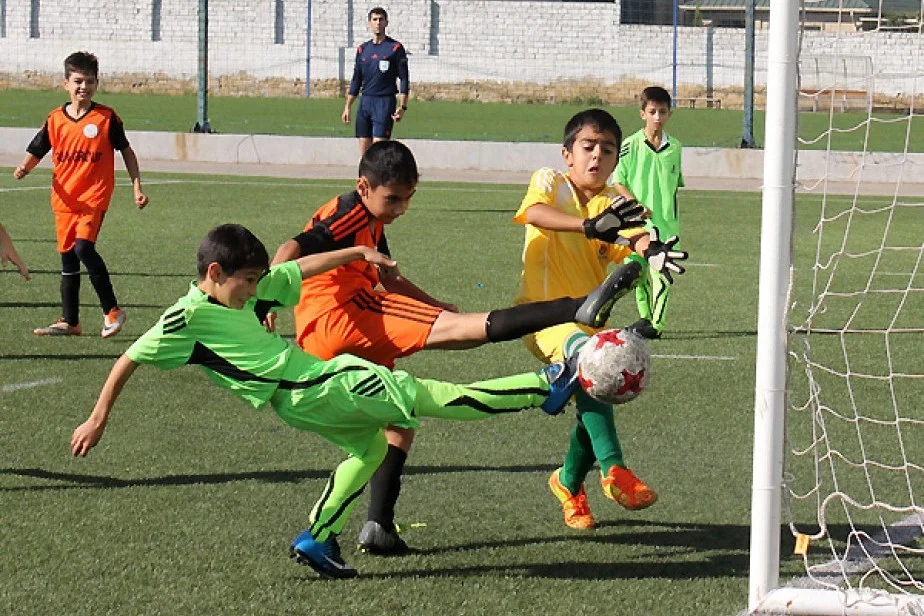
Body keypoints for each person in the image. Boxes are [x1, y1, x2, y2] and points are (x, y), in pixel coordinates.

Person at [70, 223, 587, 580]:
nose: (255, 292)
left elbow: (299, 270)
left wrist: (356, 253)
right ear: (214, 276)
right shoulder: (184, 318)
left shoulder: (240, 291)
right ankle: (546, 384)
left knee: (368, 450)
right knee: (424, 396)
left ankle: (317, 537)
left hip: (298, 400)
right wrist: (97, 418)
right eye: (246, 282)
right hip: (316, 385)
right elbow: (129, 358)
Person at [267, 139, 654, 554]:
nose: (402, 209)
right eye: (393, 199)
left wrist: (433, 304)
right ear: (364, 187)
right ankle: (577, 309)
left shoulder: (369, 217)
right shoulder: (346, 213)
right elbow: (294, 247)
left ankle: (377, 525)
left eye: (409, 198)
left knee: (396, 424)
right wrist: (267, 295)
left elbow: (390, 277)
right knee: (463, 333)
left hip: (327, 330)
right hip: (346, 315)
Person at [513, 108, 686, 530]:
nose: (596, 156)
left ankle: (569, 482)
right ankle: (615, 471)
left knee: (601, 389)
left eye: (607, 150)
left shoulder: (614, 202)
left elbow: (634, 236)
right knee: (595, 366)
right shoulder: (549, 181)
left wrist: (651, 249)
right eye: (587, 147)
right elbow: (536, 214)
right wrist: (590, 227)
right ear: (567, 153)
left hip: (588, 326)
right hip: (540, 318)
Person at [13, 51, 149, 338]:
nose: (83, 87)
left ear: (96, 84)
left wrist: (136, 186)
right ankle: (70, 321)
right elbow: (38, 148)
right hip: (64, 200)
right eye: (77, 81)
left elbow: (127, 151)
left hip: (93, 198)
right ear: (66, 83)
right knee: (68, 258)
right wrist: (25, 167)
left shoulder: (106, 118)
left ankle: (113, 311)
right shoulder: (55, 119)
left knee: (83, 248)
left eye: (89, 81)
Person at [611, 86, 685, 340]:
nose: (657, 117)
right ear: (642, 114)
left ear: (669, 115)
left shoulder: (675, 147)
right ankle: (645, 317)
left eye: (662, 112)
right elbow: (618, 181)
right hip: (636, 223)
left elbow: (676, 183)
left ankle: (657, 324)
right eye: (652, 111)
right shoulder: (630, 146)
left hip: (665, 224)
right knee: (637, 272)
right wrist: (635, 204)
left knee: (660, 274)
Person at [341, 7, 409, 155]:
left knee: (378, 153)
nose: (378, 23)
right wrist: (348, 106)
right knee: (365, 154)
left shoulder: (395, 48)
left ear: (386, 23)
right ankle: (364, 179)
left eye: (381, 19)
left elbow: (404, 78)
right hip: (365, 102)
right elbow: (356, 80)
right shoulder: (362, 50)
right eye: (375, 19)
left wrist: (402, 107)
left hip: (384, 102)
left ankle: (381, 178)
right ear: (369, 23)